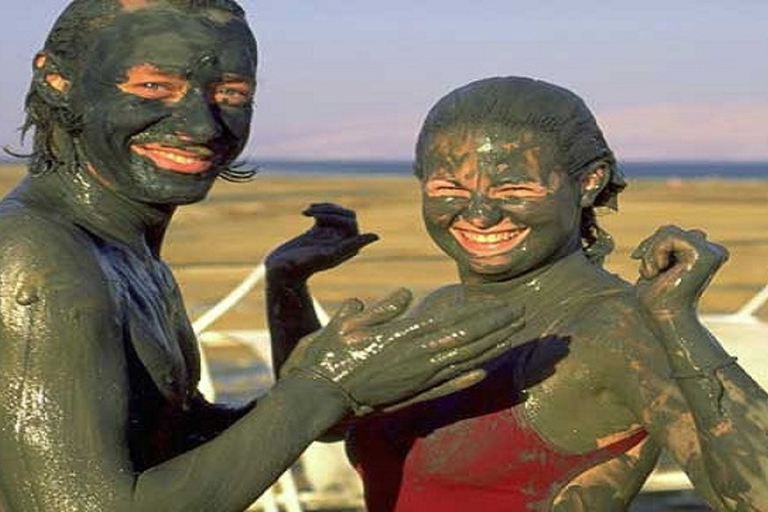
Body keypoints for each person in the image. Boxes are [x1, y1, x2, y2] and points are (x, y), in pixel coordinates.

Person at [0, 2, 534, 510]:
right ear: (58, 80)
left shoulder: (123, 252)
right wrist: (323, 389)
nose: (203, 125)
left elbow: (176, 446)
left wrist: (291, 302)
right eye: (155, 86)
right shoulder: (39, 262)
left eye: (231, 94)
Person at [267, 77, 768, 510]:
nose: (479, 215)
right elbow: (321, 420)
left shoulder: (617, 329)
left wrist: (677, 323)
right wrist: (286, 287)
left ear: (589, 182)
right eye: (449, 190)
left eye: (515, 192)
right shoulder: (443, 307)